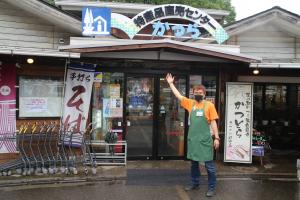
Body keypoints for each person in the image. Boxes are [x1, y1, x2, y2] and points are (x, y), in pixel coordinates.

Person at [165, 73, 220, 197]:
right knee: (193, 164)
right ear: (193, 93)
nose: (198, 94)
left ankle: (211, 187)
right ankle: (195, 183)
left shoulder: (209, 105)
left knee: (209, 166)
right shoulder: (191, 103)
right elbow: (178, 96)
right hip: (194, 140)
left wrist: (216, 137)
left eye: (200, 92)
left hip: (205, 140)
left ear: (204, 94)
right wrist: (170, 83)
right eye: (196, 92)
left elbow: (213, 122)